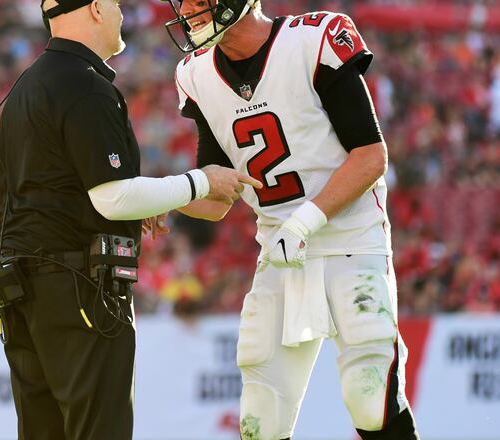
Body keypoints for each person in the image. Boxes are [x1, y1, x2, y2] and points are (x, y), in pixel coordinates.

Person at [0, 0, 262, 439]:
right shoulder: (84, 85)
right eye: (116, 4)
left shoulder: (26, 84)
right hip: (78, 288)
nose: (121, 14)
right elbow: (113, 198)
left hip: (23, 292)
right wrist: (200, 182)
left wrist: (145, 204)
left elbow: (61, 190)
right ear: (96, 8)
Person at [162, 1, 420, 439]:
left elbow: (371, 156)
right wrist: (159, 198)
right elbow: (216, 194)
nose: (186, 9)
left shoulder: (313, 39)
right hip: (281, 251)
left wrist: (303, 223)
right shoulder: (196, 73)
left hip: (350, 236)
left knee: (368, 393)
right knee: (260, 417)